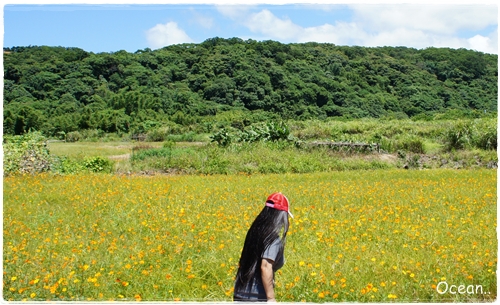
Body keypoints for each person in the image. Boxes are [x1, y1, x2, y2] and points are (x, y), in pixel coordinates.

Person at [233, 192, 293, 302]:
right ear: (281, 216)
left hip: (239, 293)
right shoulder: (272, 238)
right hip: (257, 296)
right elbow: (265, 267)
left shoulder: (253, 233)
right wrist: (271, 298)